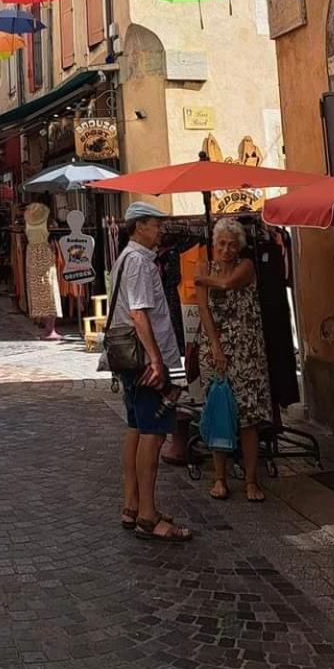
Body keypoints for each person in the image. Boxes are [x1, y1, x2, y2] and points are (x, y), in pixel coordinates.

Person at [111, 202, 194, 542]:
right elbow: (140, 313)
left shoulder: (125, 259)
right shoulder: (140, 263)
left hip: (132, 358)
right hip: (148, 360)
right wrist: (158, 361)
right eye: (156, 224)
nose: (161, 230)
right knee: (153, 433)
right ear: (139, 227)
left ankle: (132, 506)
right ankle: (147, 514)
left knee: (136, 428)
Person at [194, 219, 273, 503]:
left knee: (248, 417)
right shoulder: (204, 266)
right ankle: (219, 478)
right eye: (221, 244)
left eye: (231, 244)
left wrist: (203, 280)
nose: (226, 249)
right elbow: (203, 308)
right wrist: (216, 347)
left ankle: (251, 480)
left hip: (247, 348)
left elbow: (228, 283)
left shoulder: (246, 266)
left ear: (239, 246)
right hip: (215, 347)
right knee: (219, 411)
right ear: (214, 244)